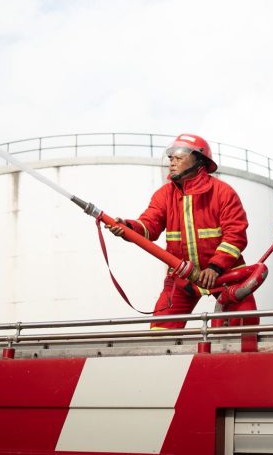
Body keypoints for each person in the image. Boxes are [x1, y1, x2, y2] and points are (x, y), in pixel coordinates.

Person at [107, 133, 257, 329]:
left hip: (226, 274)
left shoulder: (222, 192)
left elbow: (235, 234)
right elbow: (149, 224)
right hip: (181, 278)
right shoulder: (164, 195)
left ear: (199, 160)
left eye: (179, 157)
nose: (172, 162)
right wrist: (129, 227)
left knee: (245, 329)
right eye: (171, 158)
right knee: (160, 334)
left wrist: (215, 267)